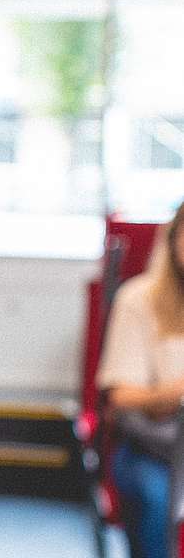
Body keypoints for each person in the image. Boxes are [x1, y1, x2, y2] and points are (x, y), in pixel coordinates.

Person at [97, 201, 184, 558]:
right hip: (154, 447)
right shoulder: (139, 299)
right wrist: (174, 393)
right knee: (154, 491)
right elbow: (120, 397)